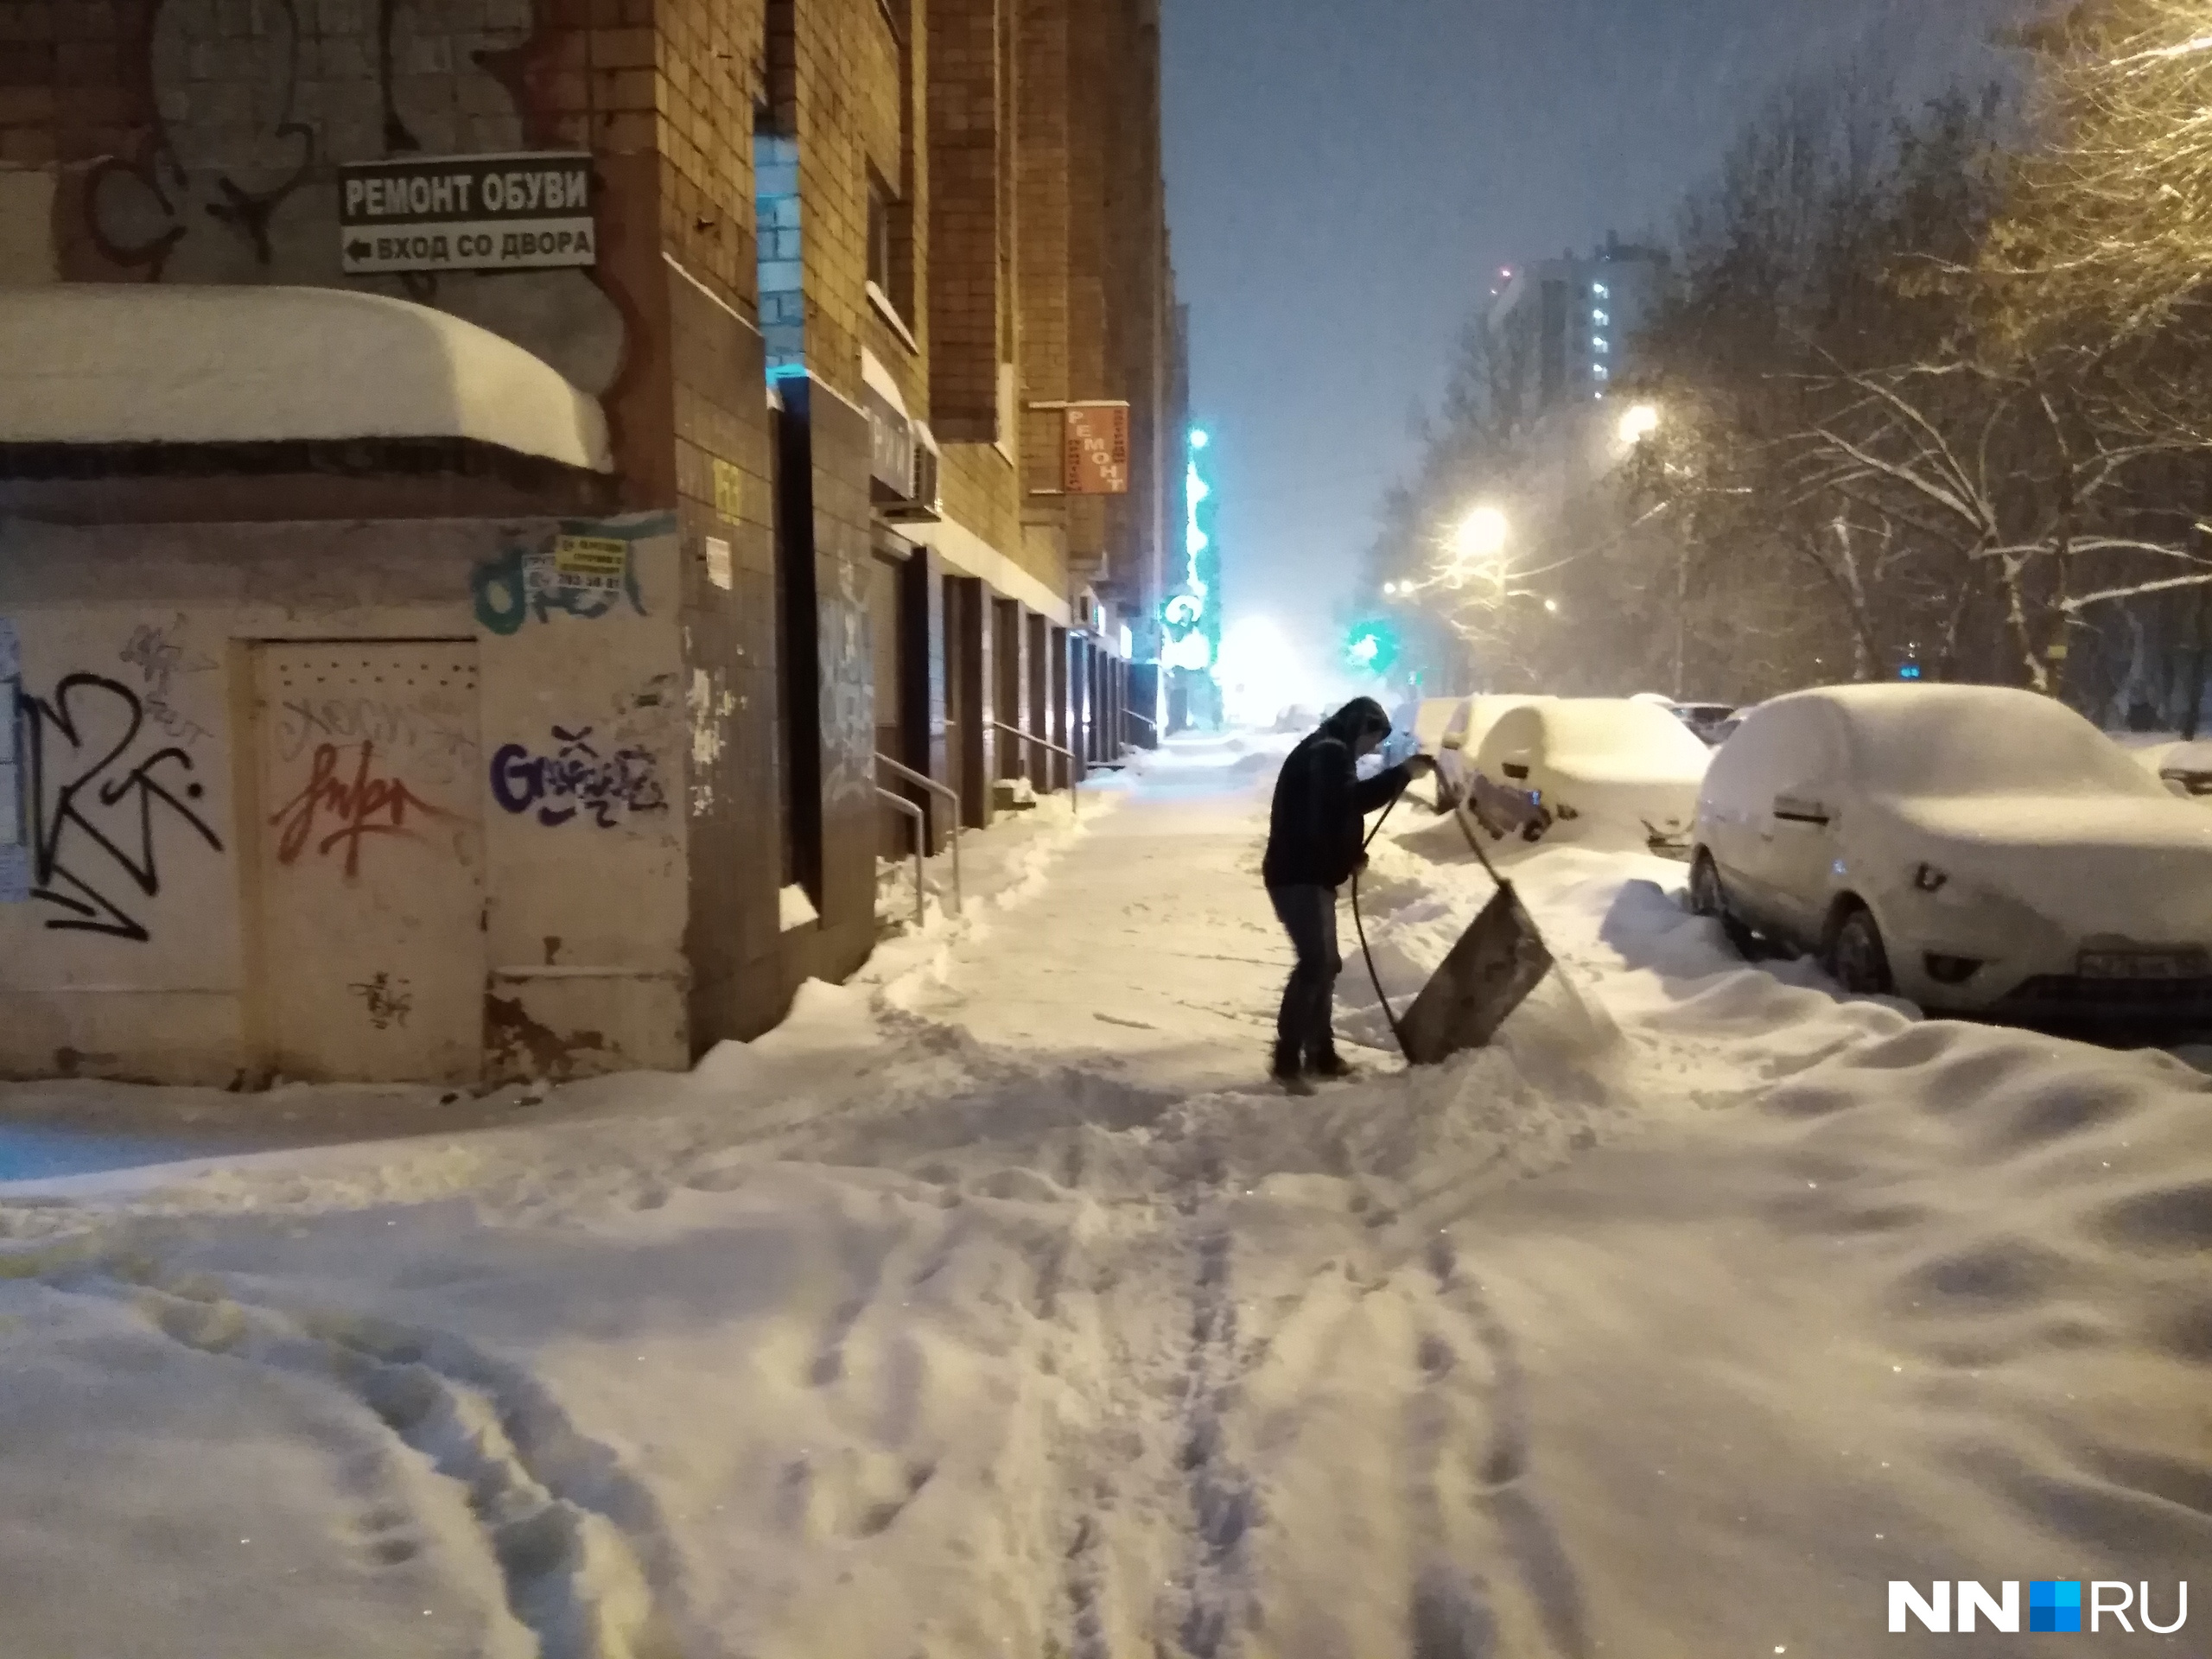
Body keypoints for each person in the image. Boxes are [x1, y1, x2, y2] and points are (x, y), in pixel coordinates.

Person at [1261, 696, 1433, 1092]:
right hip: (1298, 875)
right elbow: (1351, 801)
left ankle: (1320, 1053)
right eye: (1373, 738)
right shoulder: (1328, 753)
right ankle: (1288, 1058)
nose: (1372, 748)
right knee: (1316, 964)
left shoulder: (1325, 751)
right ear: (1361, 727)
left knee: (1325, 964)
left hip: (1306, 873)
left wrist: (1349, 854)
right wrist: (1402, 773)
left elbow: (1326, 814)